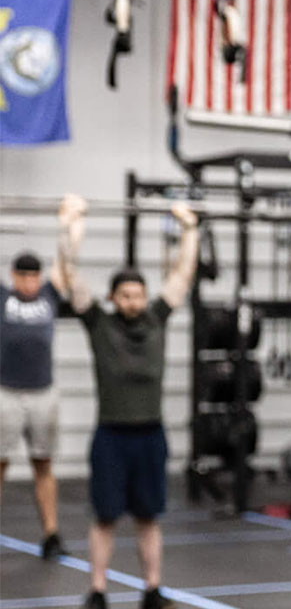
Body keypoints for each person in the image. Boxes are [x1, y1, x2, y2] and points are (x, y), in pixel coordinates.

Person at [55, 197, 201, 609]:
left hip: (150, 436)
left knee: (148, 517)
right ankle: (98, 591)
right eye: (125, 296)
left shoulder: (157, 318)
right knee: (104, 517)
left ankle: (152, 589)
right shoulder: (98, 324)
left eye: (138, 295)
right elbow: (69, 274)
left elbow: (183, 274)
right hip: (111, 437)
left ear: (146, 296)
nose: (133, 302)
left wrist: (190, 228)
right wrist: (69, 227)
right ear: (113, 297)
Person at [1, 251, 65, 560]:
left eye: (33, 276)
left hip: (43, 392)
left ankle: (51, 533)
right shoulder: (3, 299)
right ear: (14, 276)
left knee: (43, 463)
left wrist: (70, 228)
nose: (28, 282)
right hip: (6, 392)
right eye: (23, 276)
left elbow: (67, 258)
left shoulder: (50, 296)